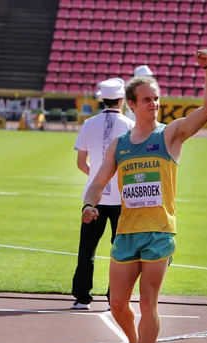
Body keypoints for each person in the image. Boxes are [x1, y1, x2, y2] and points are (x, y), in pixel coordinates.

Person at [81, 49, 207, 343]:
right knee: (116, 304)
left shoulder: (170, 135)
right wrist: (89, 204)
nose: (153, 104)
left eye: (156, 98)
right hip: (126, 232)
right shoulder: (120, 145)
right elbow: (98, 181)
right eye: (146, 99)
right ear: (130, 104)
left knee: (148, 303)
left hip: (159, 232)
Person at [71, 78, 135, 310]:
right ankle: (115, 298)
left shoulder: (89, 123)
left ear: (102, 99)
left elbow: (81, 163)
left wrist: (97, 178)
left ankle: (82, 297)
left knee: (87, 249)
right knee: (121, 251)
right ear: (122, 100)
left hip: (93, 199)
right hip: (122, 199)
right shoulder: (129, 124)